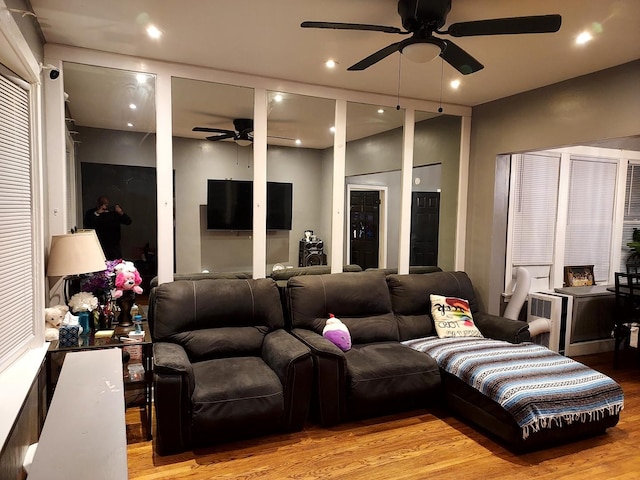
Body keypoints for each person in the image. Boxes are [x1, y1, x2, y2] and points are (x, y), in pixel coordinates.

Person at [84, 195, 132, 260]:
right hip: (98, 244)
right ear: (98, 203)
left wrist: (120, 212)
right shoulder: (91, 213)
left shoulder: (113, 213)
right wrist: (98, 213)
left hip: (114, 246)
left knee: (116, 265)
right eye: (102, 204)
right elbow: (87, 224)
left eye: (106, 204)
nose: (105, 206)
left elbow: (128, 222)